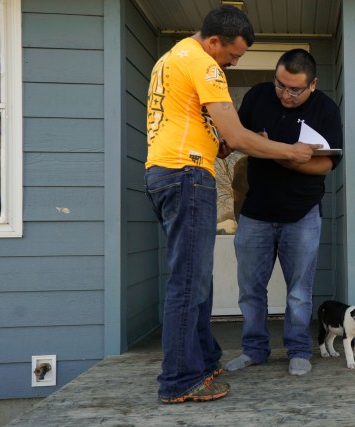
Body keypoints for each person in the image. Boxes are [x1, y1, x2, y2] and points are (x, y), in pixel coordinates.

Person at [144, 6, 319, 404]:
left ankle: (205, 362)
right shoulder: (203, 64)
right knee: (188, 283)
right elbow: (237, 139)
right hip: (187, 174)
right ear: (214, 42)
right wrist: (291, 151)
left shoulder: (169, 59)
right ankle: (179, 380)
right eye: (233, 56)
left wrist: (225, 142)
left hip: (165, 171)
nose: (234, 63)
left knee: (196, 279)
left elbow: (213, 135)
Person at [224, 49, 343, 376]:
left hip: (302, 214)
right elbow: (237, 139)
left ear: (313, 84)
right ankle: (254, 350)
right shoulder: (258, 97)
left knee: (298, 292)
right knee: (250, 290)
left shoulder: (326, 110)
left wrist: (272, 152)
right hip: (255, 211)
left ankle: (298, 350)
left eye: (295, 89)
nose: (285, 95)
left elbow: (323, 165)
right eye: (280, 85)